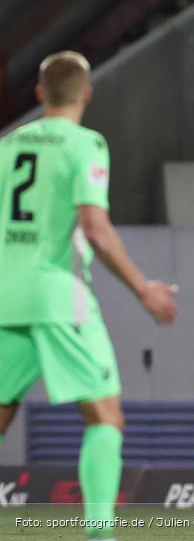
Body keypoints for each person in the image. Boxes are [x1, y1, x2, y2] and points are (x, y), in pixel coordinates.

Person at [0, 51, 178, 541]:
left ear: (39, 94)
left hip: (5, 298)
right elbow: (95, 228)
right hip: (59, 297)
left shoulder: (8, 145)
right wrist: (143, 288)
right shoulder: (86, 145)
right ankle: (100, 533)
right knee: (104, 416)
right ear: (87, 94)